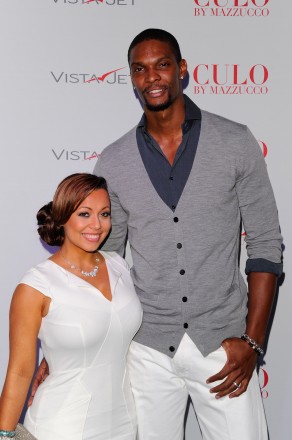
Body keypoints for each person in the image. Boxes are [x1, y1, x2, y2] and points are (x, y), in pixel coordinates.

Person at [30, 29, 282, 439]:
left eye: (162, 65)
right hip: (145, 349)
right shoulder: (114, 160)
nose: (152, 77)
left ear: (181, 70)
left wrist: (252, 343)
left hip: (223, 345)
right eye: (140, 69)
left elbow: (267, 245)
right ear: (131, 78)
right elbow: (103, 260)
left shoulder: (235, 141)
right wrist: (62, 351)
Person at [0, 173, 142, 440]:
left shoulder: (118, 264)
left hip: (124, 422)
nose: (97, 225)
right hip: (63, 425)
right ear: (63, 216)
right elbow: (19, 372)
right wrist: (5, 434)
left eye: (104, 214)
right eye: (85, 214)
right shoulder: (36, 286)